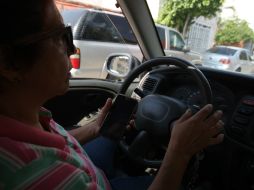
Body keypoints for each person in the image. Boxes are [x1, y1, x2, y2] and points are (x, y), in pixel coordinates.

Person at [0, 0, 224, 189]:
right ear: (10, 63)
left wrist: (94, 128)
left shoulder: (26, 115)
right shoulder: (42, 177)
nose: (72, 49)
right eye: (61, 37)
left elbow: (53, 146)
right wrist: (179, 151)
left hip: (88, 168)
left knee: (108, 136)